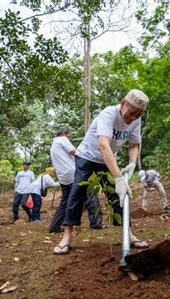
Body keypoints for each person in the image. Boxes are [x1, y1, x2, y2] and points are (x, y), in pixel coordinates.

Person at [53, 89, 149, 255]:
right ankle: (66, 237)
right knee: (77, 193)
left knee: (119, 196)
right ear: (122, 103)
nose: (133, 118)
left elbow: (133, 145)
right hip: (86, 157)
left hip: (108, 160)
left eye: (138, 115)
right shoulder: (108, 114)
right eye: (131, 112)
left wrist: (132, 163)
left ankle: (129, 235)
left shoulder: (135, 121)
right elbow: (103, 145)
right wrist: (118, 177)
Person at [48, 127, 104, 233]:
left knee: (65, 202)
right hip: (73, 173)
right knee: (91, 196)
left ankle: (55, 226)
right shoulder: (62, 140)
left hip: (63, 177)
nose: (70, 137)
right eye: (70, 135)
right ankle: (96, 223)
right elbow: (75, 152)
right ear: (65, 133)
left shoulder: (53, 145)